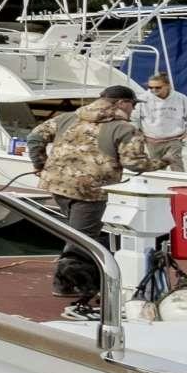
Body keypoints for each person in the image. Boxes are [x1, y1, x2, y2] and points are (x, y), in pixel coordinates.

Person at [24, 86, 155, 317]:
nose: (133, 109)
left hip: (57, 185)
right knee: (82, 238)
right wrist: (163, 160)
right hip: (91, 191)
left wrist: (40, 164)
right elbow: (135, 164)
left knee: (79, 232)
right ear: (122, 103)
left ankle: (82, 278)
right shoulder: (123, 128)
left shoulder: (68, 118)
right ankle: (66, 284)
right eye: (133, 104)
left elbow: (34, 137)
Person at [132, 71, 187, 170]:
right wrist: (138, 134)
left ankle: (180, 184)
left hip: (174, 140)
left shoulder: (180, 98)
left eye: (157, 87)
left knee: (175, 163)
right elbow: (134, 118)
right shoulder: (143, 99)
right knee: (156, 168)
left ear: (167, 85)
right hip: (151, 141)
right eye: (150, 87)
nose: (153, 90)